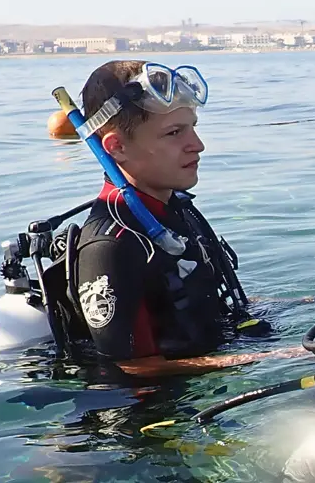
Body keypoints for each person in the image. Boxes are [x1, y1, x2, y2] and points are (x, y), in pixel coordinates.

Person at [63, 60, 296, 379]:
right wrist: (280, 359)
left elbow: (203, 299)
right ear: (117, 147)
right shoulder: (110, 247)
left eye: (192, 127)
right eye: (174, 133)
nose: (198, 145)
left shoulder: (173, 208)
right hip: (172, 403)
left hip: (218, 358)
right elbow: (130, 368)